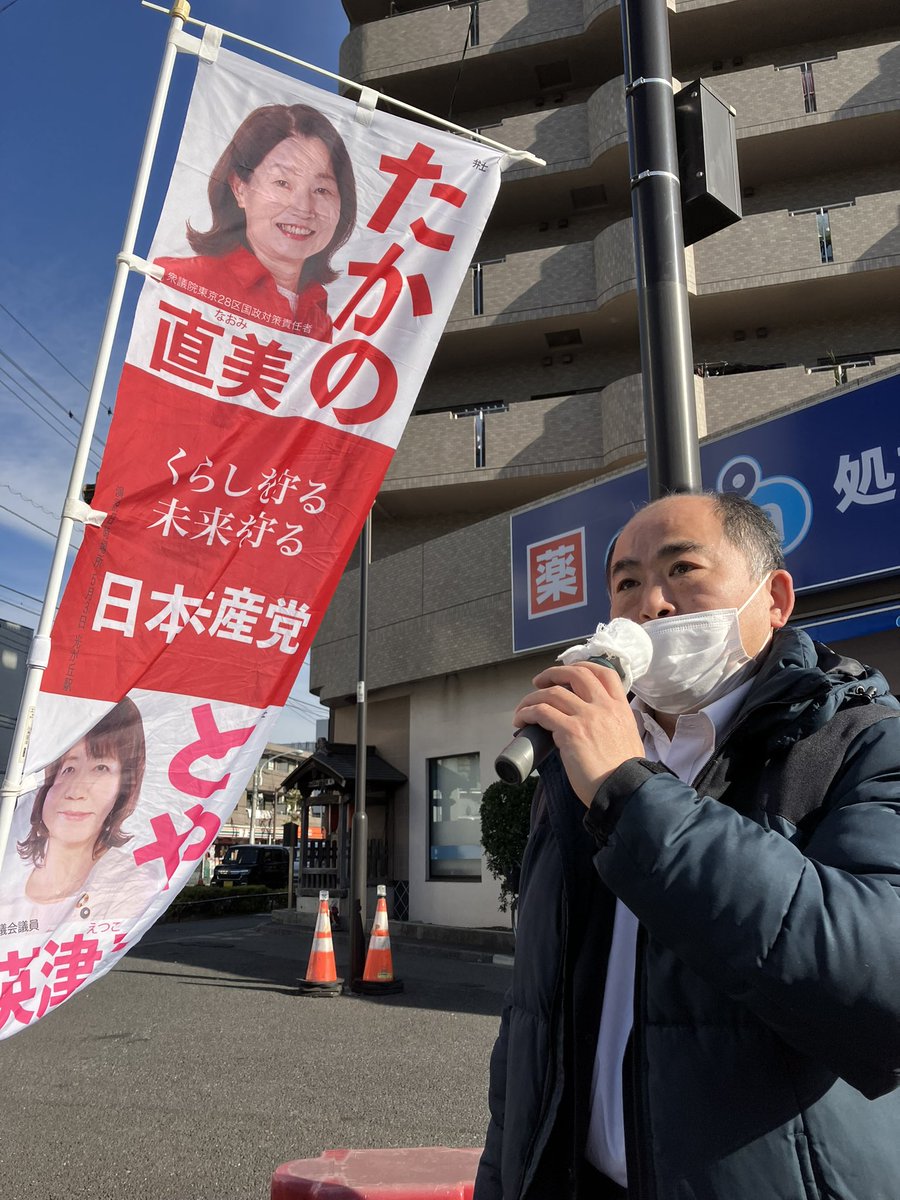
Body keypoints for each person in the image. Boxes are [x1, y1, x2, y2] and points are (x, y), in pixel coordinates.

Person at [475, 491, 900, 1200]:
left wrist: (630, 792)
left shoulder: (863, 741)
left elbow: (880, 986)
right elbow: (530, 1023)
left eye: (683, 569)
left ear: (775, 599)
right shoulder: (575, 766)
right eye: (627, 582)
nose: (652, 603)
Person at [155, 103, 358, 341]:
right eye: (282, 183)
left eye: (322, 190)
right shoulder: (177, 281)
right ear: (240, 188)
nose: (303, 208)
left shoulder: (319, 319)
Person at [0, 698, 147, 936]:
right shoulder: (9, 868)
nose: (76, 791)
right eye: (67, 769)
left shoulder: (131, 886)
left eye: (101, 768)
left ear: (124, 788)